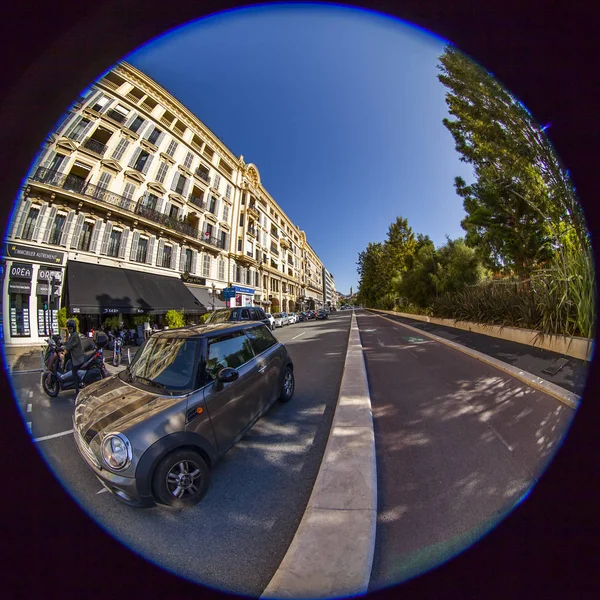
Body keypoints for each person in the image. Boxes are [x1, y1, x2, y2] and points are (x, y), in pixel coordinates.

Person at [64, 319, 85, 390]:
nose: (69, 330)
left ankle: (77, 390)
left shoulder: (75, 336)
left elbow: (68, 346)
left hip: (77, 359)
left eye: (70, 328)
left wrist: (62, 348)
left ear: (74, 328)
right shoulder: (72, 335)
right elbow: (67, 343)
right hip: (75, 358)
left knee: (74, 373)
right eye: (68, 329)